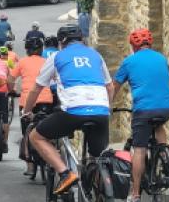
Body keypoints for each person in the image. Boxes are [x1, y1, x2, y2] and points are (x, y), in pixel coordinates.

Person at [24, 24, 113, 194]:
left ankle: (65, 174)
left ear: (62, 42)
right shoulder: (96, 55)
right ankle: (99, 187)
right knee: (98, 155)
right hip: (101, 110)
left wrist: (26, 111)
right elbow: (109, 87)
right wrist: (106, 108)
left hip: (73, 110)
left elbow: (36, 88)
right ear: (81, 39)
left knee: (36, 137)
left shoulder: (57, 56)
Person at [113, 28, 169, 202]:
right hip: (166, 107)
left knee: (139, 149)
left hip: (144, 110)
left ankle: (135, 194)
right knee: (159, 125)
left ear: (133, 46)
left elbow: (115, 86)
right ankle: (164, 155)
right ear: (150, 43)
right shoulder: (162, 59)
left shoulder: (129, 61)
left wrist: (107, 104)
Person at [10, 37, 53, 176]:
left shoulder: (21, 62)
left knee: (27, 133)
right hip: (45, 100)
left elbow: (10, 80)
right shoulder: (47, 62)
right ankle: (50, 158)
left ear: (27, 50)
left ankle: (29, 166)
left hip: (26, 101)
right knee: (47, 131)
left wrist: (11, 91)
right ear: (41, 49)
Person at [42, 36, 59, 106]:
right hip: (58, 87)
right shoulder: (61, 53)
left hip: (44, 87)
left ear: (45, 45)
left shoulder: (41, 53)